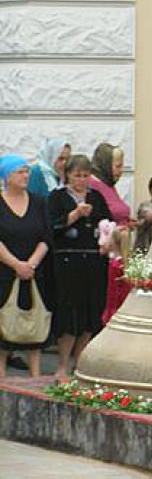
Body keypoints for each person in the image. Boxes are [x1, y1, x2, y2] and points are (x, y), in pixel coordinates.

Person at [48, 154, 112, 379]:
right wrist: (75, 214)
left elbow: (108, 223)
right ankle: (63, 362)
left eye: (86, 176)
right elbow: (51, 227)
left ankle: (80, 359)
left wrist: (108, 240)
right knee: (69, 310)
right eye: (77, 175)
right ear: (68, 175)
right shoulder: (57, 197)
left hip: (94, 261)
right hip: (67, 261)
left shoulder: (97, 197)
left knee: (91, 309)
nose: (82, 180)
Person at [0, 154, 53, 377]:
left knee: (35, 326)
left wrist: (30, 264)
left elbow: (46, 236)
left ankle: (36, 378)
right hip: (4, 273)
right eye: (20, 171)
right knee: (4, 328)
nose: (25, 175)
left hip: (33, 273)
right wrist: (15, 265)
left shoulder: (39, 202)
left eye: (26, 171)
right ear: (6, 176)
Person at [88, 143, 135, 228]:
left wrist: (127, 222)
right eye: (118, 166)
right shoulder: (91, 185)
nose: (121, 171)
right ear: (106, 165)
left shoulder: (109, 184)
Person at [100, 219, 130, 325]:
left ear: (113, 243)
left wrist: (109, 312)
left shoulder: (114, 265)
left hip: (116, 306)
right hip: (125, 305)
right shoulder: (126, 263)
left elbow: (112, 290)